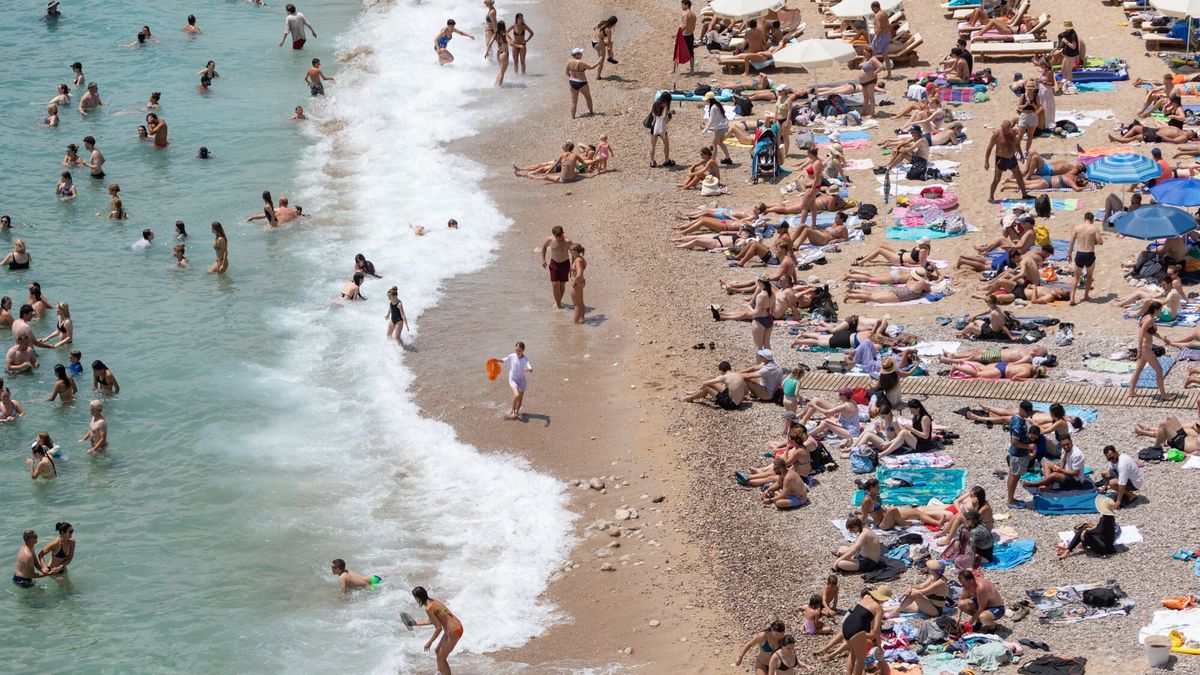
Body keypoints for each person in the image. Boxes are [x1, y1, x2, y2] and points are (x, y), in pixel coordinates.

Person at [410, 586, 463, 675]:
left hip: (453, 631)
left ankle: (441, 673)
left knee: (441, 658)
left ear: (418, 598)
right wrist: (416, 624)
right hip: (457, 627)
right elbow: (433, 621)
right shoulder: (434, 602)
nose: (415, 599)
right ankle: (440, 673)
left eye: (415, 597)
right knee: (437, 651)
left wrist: (429, 642)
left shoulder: (428, 609)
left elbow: (438, 628)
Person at [842, 585, 890, 675]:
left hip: (846, 625)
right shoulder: (879, 609)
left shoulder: (866, 598)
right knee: (861, 659)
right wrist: (879, 646)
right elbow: (876, 630)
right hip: (856, 631)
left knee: (852, 653)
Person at [986, 120, 1029, 202]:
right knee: (997, 179)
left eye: (1007, 129)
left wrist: (1021, 155)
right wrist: (986, 161)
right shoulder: (996, 134)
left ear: (1010, 128)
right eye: (1004, 129)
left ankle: (1024, 194)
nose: (1005, 131)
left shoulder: (1012, 132)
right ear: (1002, 127)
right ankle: (991, 196)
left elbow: (1017, 144)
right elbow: (989, 148)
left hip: (1012, 158)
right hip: (1001, 159)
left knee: (1019, 176)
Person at [678, 361, 746, 410]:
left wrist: (701, 387)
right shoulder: (738, 375)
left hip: (731, 404)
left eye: (720, 372)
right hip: (737, 402)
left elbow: (705, 383)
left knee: (706, 387)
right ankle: (696, 393)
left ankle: (689, 398)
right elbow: (746, 391)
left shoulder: (724, 377)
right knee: (712, 384)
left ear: (722, 371)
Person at [1067, 212, 1103, 305]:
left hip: (1080, 253)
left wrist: (1069, 254)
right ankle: (1086, 295)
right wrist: (1094, 240)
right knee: (1089, 275)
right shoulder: (1094, 228)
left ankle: (1072, 298)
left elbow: (1071, 243)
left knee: (1076, 277)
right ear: (1092, 220)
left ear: (1084, 218)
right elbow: (1100, 242)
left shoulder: (1077, 228)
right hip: (1089, 254)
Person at [1005, 400, 1035, 506]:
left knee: (1012, 474)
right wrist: (1028, 446)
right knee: (1015, 477)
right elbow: (1015, 442)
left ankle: (1011, 497)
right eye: (1028, 412)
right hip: (1018, 454)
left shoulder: (1016, 418)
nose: (1029, 414)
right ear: (1021, 410)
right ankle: (1010, 500)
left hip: (1016, 453)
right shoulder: (1018, 423)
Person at [540, 226, 573, 309]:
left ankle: (558, 301)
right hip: (554, 264)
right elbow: (544, 247)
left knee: (562, 285)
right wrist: (543, 259)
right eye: (557, 237)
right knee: (555, 285)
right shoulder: (550, 240)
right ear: (554, 235)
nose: (559, 238)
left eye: (561, 236)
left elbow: (573, 253)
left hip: (565, 264)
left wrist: (573, 265)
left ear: (563, 233)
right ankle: (558, 306)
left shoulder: (568, 242)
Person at [499, 341, 532, 420]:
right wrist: (495, 360)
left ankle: (517, 412)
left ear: (523, 350)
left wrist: (528, 369)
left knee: (520, 399)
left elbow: (531, 368)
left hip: (522, 380)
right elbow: (504, 360)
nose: (517, 352)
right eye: (516, 350)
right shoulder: (512, 356)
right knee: (517, 395)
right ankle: (512, 411)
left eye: (519, 351)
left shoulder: (525, 359)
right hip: (513, 379)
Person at [566, 47, 600, 118]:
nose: (582, 55)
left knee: (574, 101)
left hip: (572, 82)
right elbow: (591, 67)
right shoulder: (581, 63)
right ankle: (591, 112)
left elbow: (566, 72)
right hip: (582, 82)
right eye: (580, 53)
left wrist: (572, 77)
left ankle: (573, 117)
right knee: (588, 97)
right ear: (577, 55)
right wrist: (599, 62)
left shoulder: (569, 62)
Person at [649, 91, 673, 168]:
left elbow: (652, 114)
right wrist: (669, 118)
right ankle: (666, 160)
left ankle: (652, 162)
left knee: (653, 146)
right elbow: (664, 116)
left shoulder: (655, 103)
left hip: (654, 127)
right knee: (666, 144)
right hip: (661, 128)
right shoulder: (665, 105)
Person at [870, 0, 893, 77]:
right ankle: (889, 74)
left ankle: (873, 74)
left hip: (881, 36)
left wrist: (876, 39)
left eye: (872, 9)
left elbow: (879, 27)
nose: (872, 11)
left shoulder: (877, 15)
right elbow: (888, 24)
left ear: (875, 7)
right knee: (885, 56)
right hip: (886, 35)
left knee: (872, 54)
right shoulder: (885, 13)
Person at [676, 1, 697, 75]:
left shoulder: (685, 14)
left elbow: (684, 25)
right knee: (691, 53)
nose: (681, 7)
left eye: (682, 5)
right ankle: (692, 70)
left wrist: (677, 33)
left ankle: (674, 70)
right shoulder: (694, 15)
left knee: (678, 52)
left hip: (684, 35)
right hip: (691, 35)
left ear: (687, 5)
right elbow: (693, 27)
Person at [569, 243, 587, 324]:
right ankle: (581, 319)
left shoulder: (578, 261)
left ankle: (575, 324)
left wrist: (574, 282)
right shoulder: (579, 259)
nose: (571, 251)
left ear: (577, 251)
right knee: (580, 302)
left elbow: (579, 274)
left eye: (572, 250)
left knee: (576, 305)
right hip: (580, 283)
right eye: (570, 250)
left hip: (577, 283)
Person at [494, 20, 510, 86]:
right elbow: (510, 42)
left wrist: (487, 51)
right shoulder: (505, 34)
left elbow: (490, 43)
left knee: (500, 70)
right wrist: (518, 45)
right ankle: (499, 86)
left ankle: (495, 84)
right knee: (502, 72)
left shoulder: (496, 34)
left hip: (498, 53)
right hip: (504, 53)